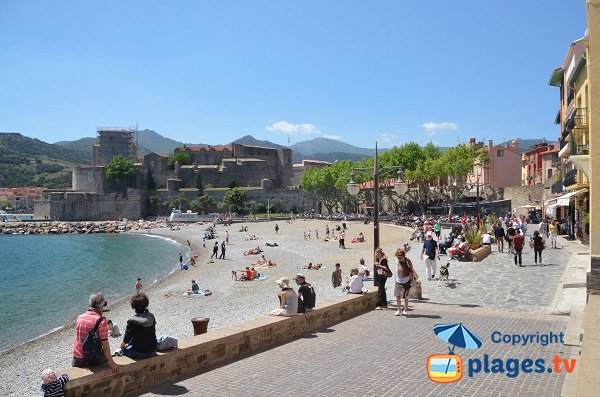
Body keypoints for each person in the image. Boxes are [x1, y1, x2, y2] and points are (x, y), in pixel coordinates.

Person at [72, 292, 119, 373]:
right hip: (91, 358)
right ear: (101, 305)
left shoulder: (80, 317)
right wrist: (112, 363)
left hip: (77, 357)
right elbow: (105, 345)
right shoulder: (101, 321)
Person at [120, 293, 157, 359]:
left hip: (139, 353)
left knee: (123, 350)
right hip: (153, 350)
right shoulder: (151, 316)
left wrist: (122, 347)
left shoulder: (132, 321)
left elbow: (126, 340)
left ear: (134, 306)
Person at [394, 249, 414, 316]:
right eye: (398, 257)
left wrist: (412, 281)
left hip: (407, 280)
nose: (399, 258)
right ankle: (399, 310)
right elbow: (396, 271)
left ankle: (405, 310)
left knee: (406, 297)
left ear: (403, 256)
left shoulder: (408, 261)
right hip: (398, 280)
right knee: (397, 296)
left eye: (400, 257)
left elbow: (411, 271)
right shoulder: (396, 261)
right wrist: (395, 279)